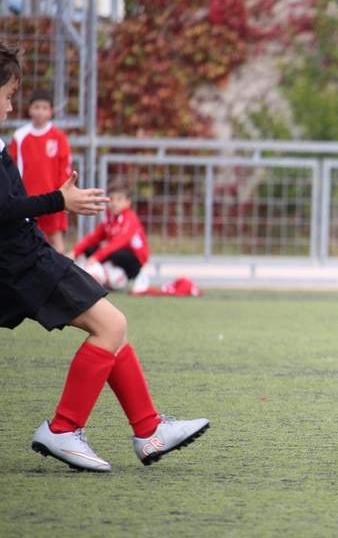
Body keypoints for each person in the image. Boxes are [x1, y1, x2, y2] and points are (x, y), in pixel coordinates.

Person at [0, 41, 209, 472]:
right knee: (111, 324)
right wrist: (59, 199)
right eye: (8, 97)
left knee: (110, 327)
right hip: (21, 259)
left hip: (24, 254)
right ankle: (63, 428)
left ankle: (148, 428)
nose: (10, 107)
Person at [8, 88, 71, 253]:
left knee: (55, 237)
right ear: (30, 109)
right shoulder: (20, 136)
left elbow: (64, 169)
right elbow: (11, 167)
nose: (40, 112)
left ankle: (61, 275)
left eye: (44, 108)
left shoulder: (58, 137)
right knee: (27, 238)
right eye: (37, 107)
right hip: (27, 199)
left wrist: (63, 195)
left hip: (53, 197)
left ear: (50, 111)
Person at [69, 181, 151, 293]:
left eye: (119, 199)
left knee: (114, 252)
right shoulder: (109, 218)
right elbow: (93, 237)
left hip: (135, 260)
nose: (114, 203)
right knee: (89, 249)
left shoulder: (130, 219)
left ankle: (140, 275)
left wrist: (96, 257)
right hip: (115, 255)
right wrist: (75, 251)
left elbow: (118, 243)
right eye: (111, 199)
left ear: (128, 202)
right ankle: (98, 275)